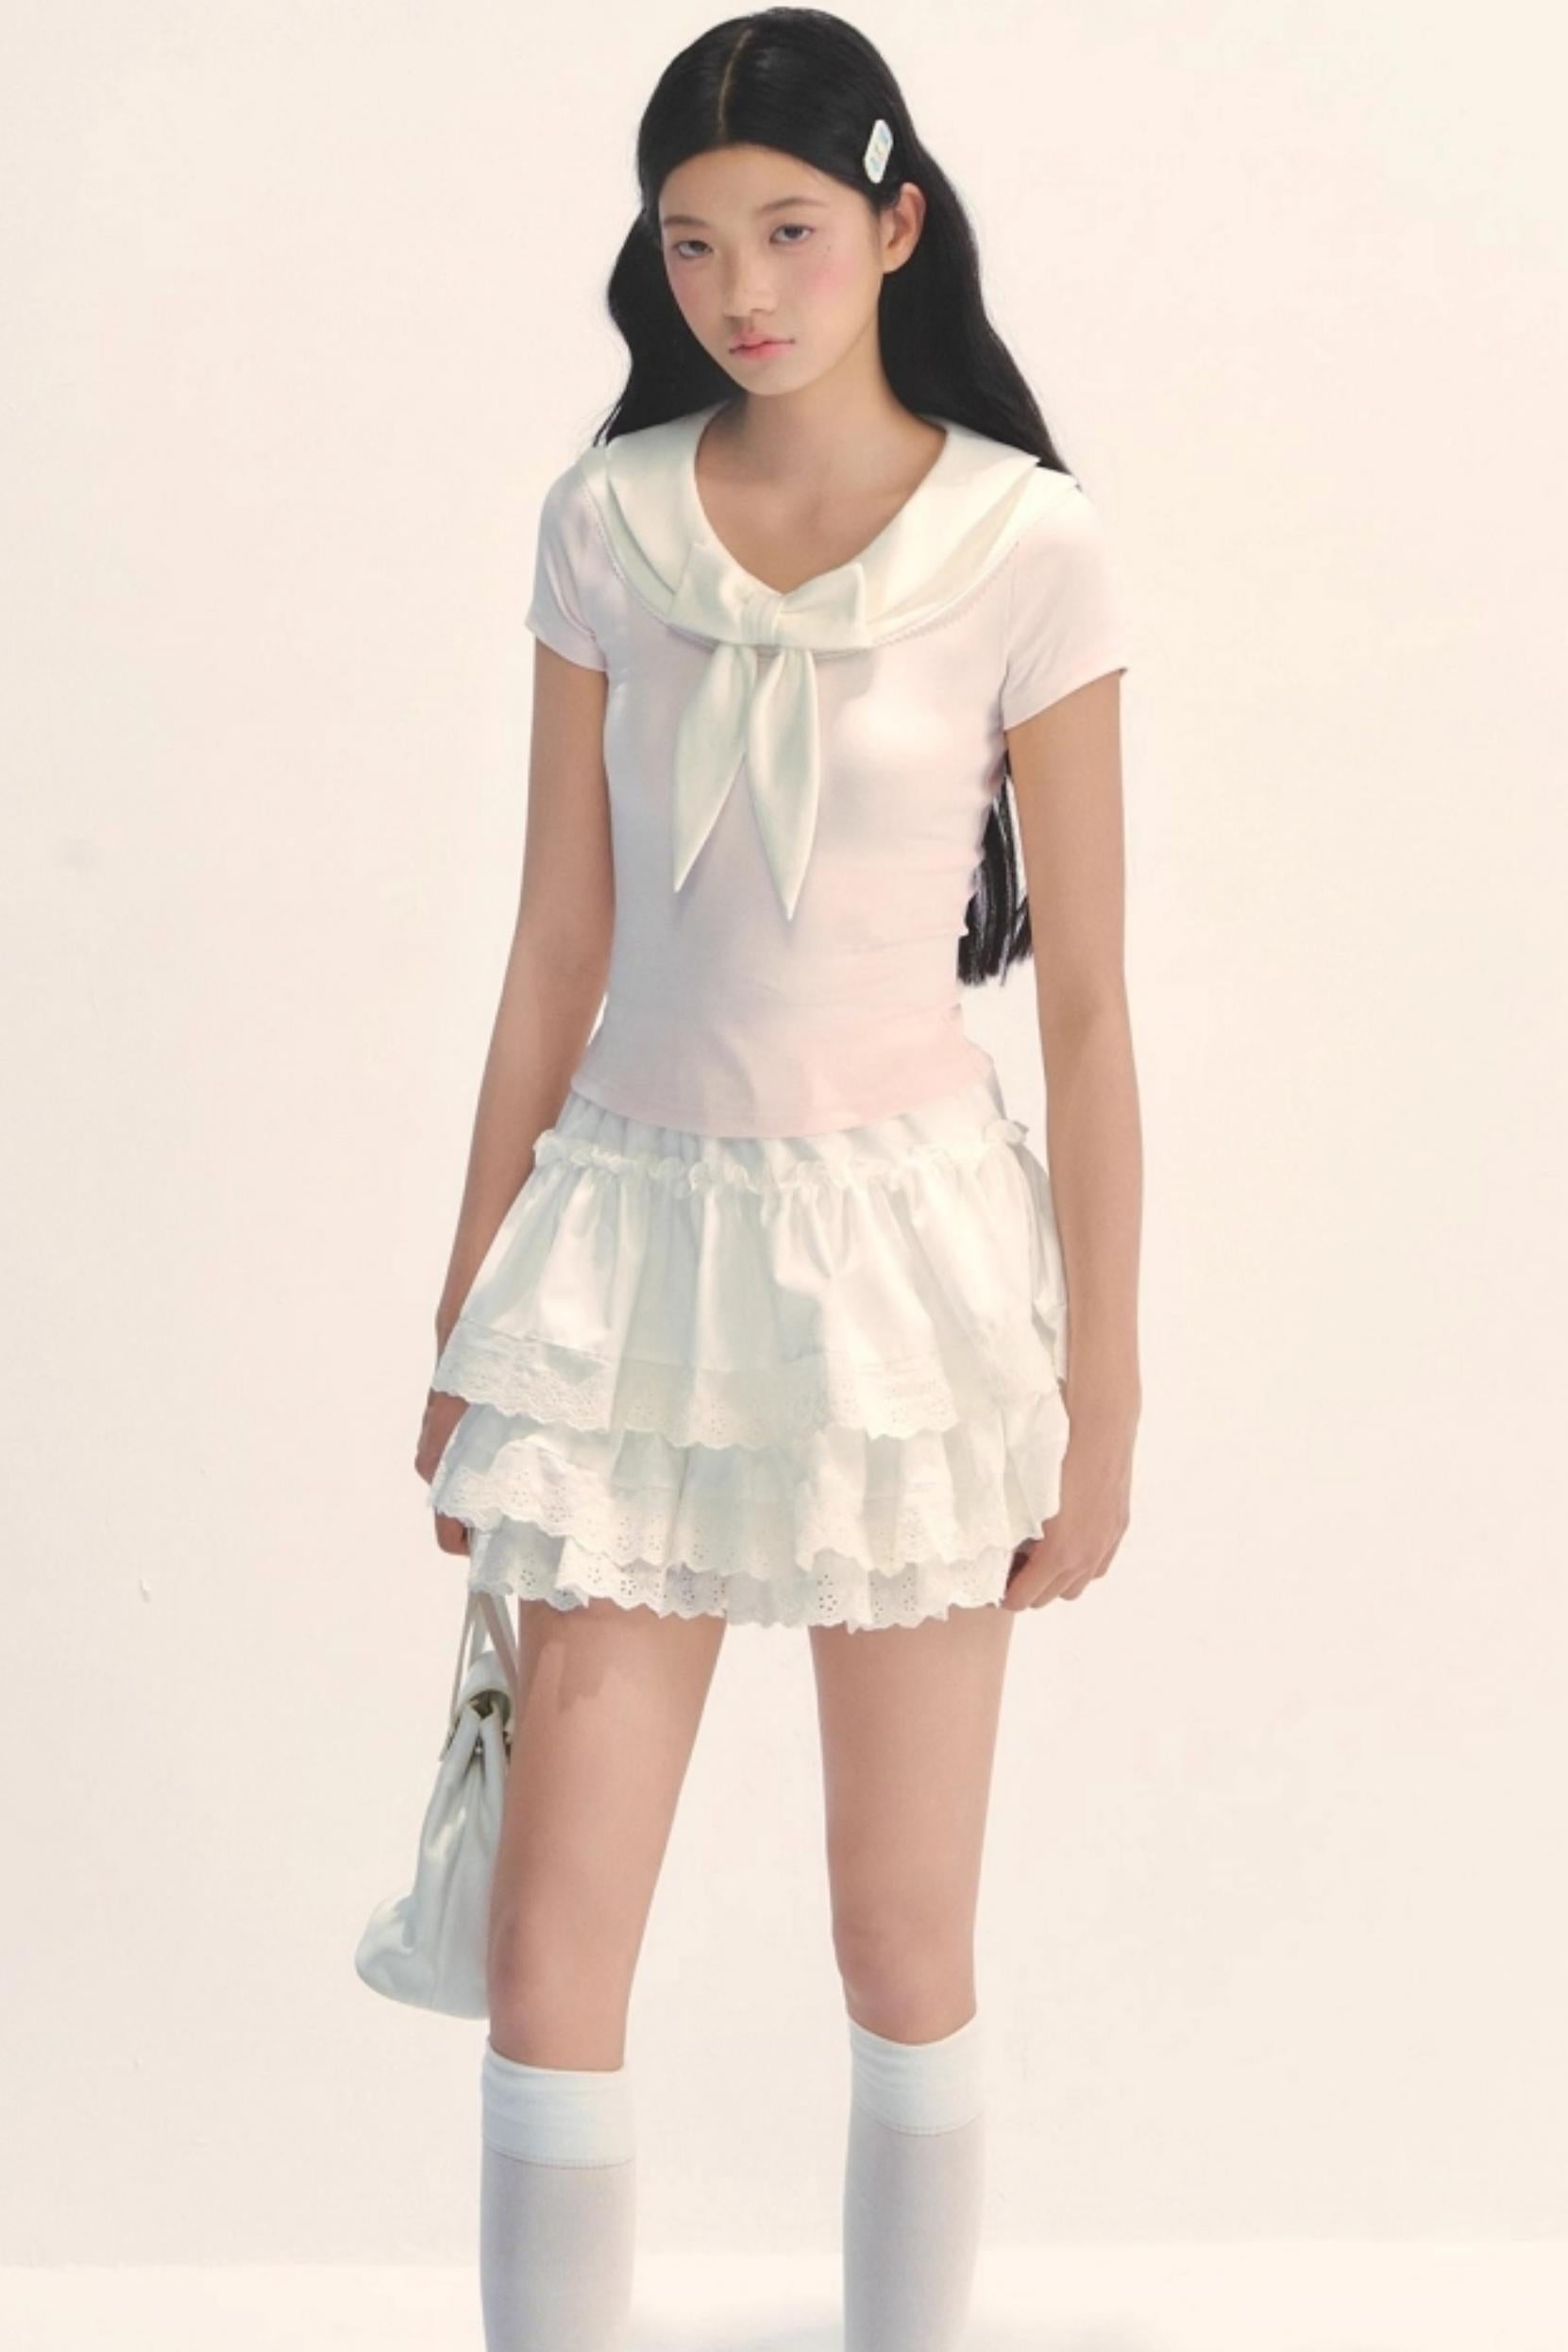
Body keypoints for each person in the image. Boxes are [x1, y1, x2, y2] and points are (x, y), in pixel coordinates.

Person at [413, 10, 1142, 2346]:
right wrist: (467, 1316)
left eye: (792, 232)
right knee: (550, 1959)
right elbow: (554, 946)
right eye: (695, 240)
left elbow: (1091, 1008)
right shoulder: (603, 521)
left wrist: (1107, 1403)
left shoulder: (1028, 542)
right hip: (625, 1266)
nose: (741, 286)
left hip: (910, 1282)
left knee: (899, 1936)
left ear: (898, 226)